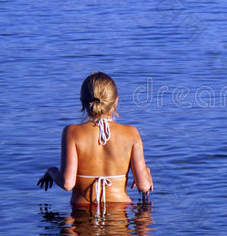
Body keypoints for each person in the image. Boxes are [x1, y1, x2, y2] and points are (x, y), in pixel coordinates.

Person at [38, 72, 153, 213]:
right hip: (120, 211)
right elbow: (143, 186)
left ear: (82, 102)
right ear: (116, 101)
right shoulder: (131, 133)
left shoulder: (72, 132)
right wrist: (145, 173)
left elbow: (68, 184)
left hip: (82, 211)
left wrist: (52, 171)